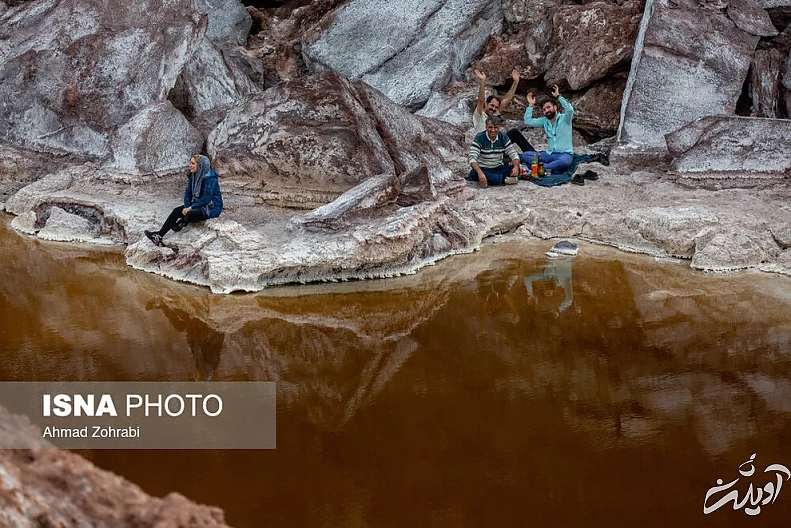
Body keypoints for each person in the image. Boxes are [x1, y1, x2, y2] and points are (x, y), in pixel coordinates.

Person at [521, 85, 609, 177]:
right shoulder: (544, 121)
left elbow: (570, 110)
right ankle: (548, 167)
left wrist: (559, 96)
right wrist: (531, 105)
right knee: (526, 155)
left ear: (555, 107)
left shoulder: (565, 119)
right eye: (544, 109)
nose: (547, 110)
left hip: (563, 155)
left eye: (548, 107)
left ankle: (544, 167)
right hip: (549, 155)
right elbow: (528, 121)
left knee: (566, 161)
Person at [144, 154, 223, 246]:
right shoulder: (194, 176)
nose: (190, 165)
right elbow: (188, 193)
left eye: (193, 163)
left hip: (212, 207)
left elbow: (206, 198)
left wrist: (190, 208)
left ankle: (181, 222)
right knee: (177, 211)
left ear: (200, 165)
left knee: (191, 214)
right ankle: (158, 236)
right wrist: (186, 206)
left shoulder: (210, 179)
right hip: (199, 204)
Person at [473, 68, 535, 153]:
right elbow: (480, 100)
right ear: (486, 104)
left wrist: (515, 82)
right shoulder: (479, 115)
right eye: (492, 105)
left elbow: (506, 100)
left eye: (495, 107)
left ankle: (533, 155)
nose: (493, 109)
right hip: (486, 150)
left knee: (514, 133)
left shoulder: (493, 116)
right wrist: (483, 81)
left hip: (497, 146)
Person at [467, 115, 521, 188]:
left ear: (499, 127)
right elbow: (472, 158)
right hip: (483, 168)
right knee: (474, 173)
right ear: (486, 127)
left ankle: (490, 180)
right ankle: (502, 180)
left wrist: (516, 167)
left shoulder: (503, 137)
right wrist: (480, 172)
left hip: (498, 168)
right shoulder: (480, 138)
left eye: (495, 127)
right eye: (490, 127)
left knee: (518, 169)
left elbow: (513, 153)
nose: (493, 130)